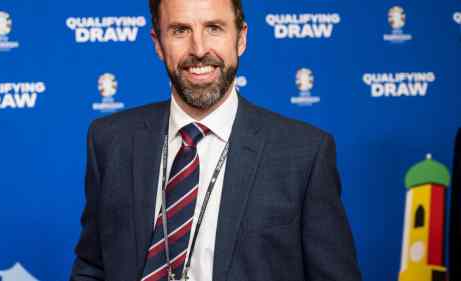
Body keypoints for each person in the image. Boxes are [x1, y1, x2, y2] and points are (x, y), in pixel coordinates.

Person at [70, 0, 362, 280]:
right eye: (180, 30)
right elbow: (93, 267)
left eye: (214, 28)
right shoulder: (110, 141)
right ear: (158, 43)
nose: (199, 49)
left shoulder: (305, 153)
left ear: (241, 38)